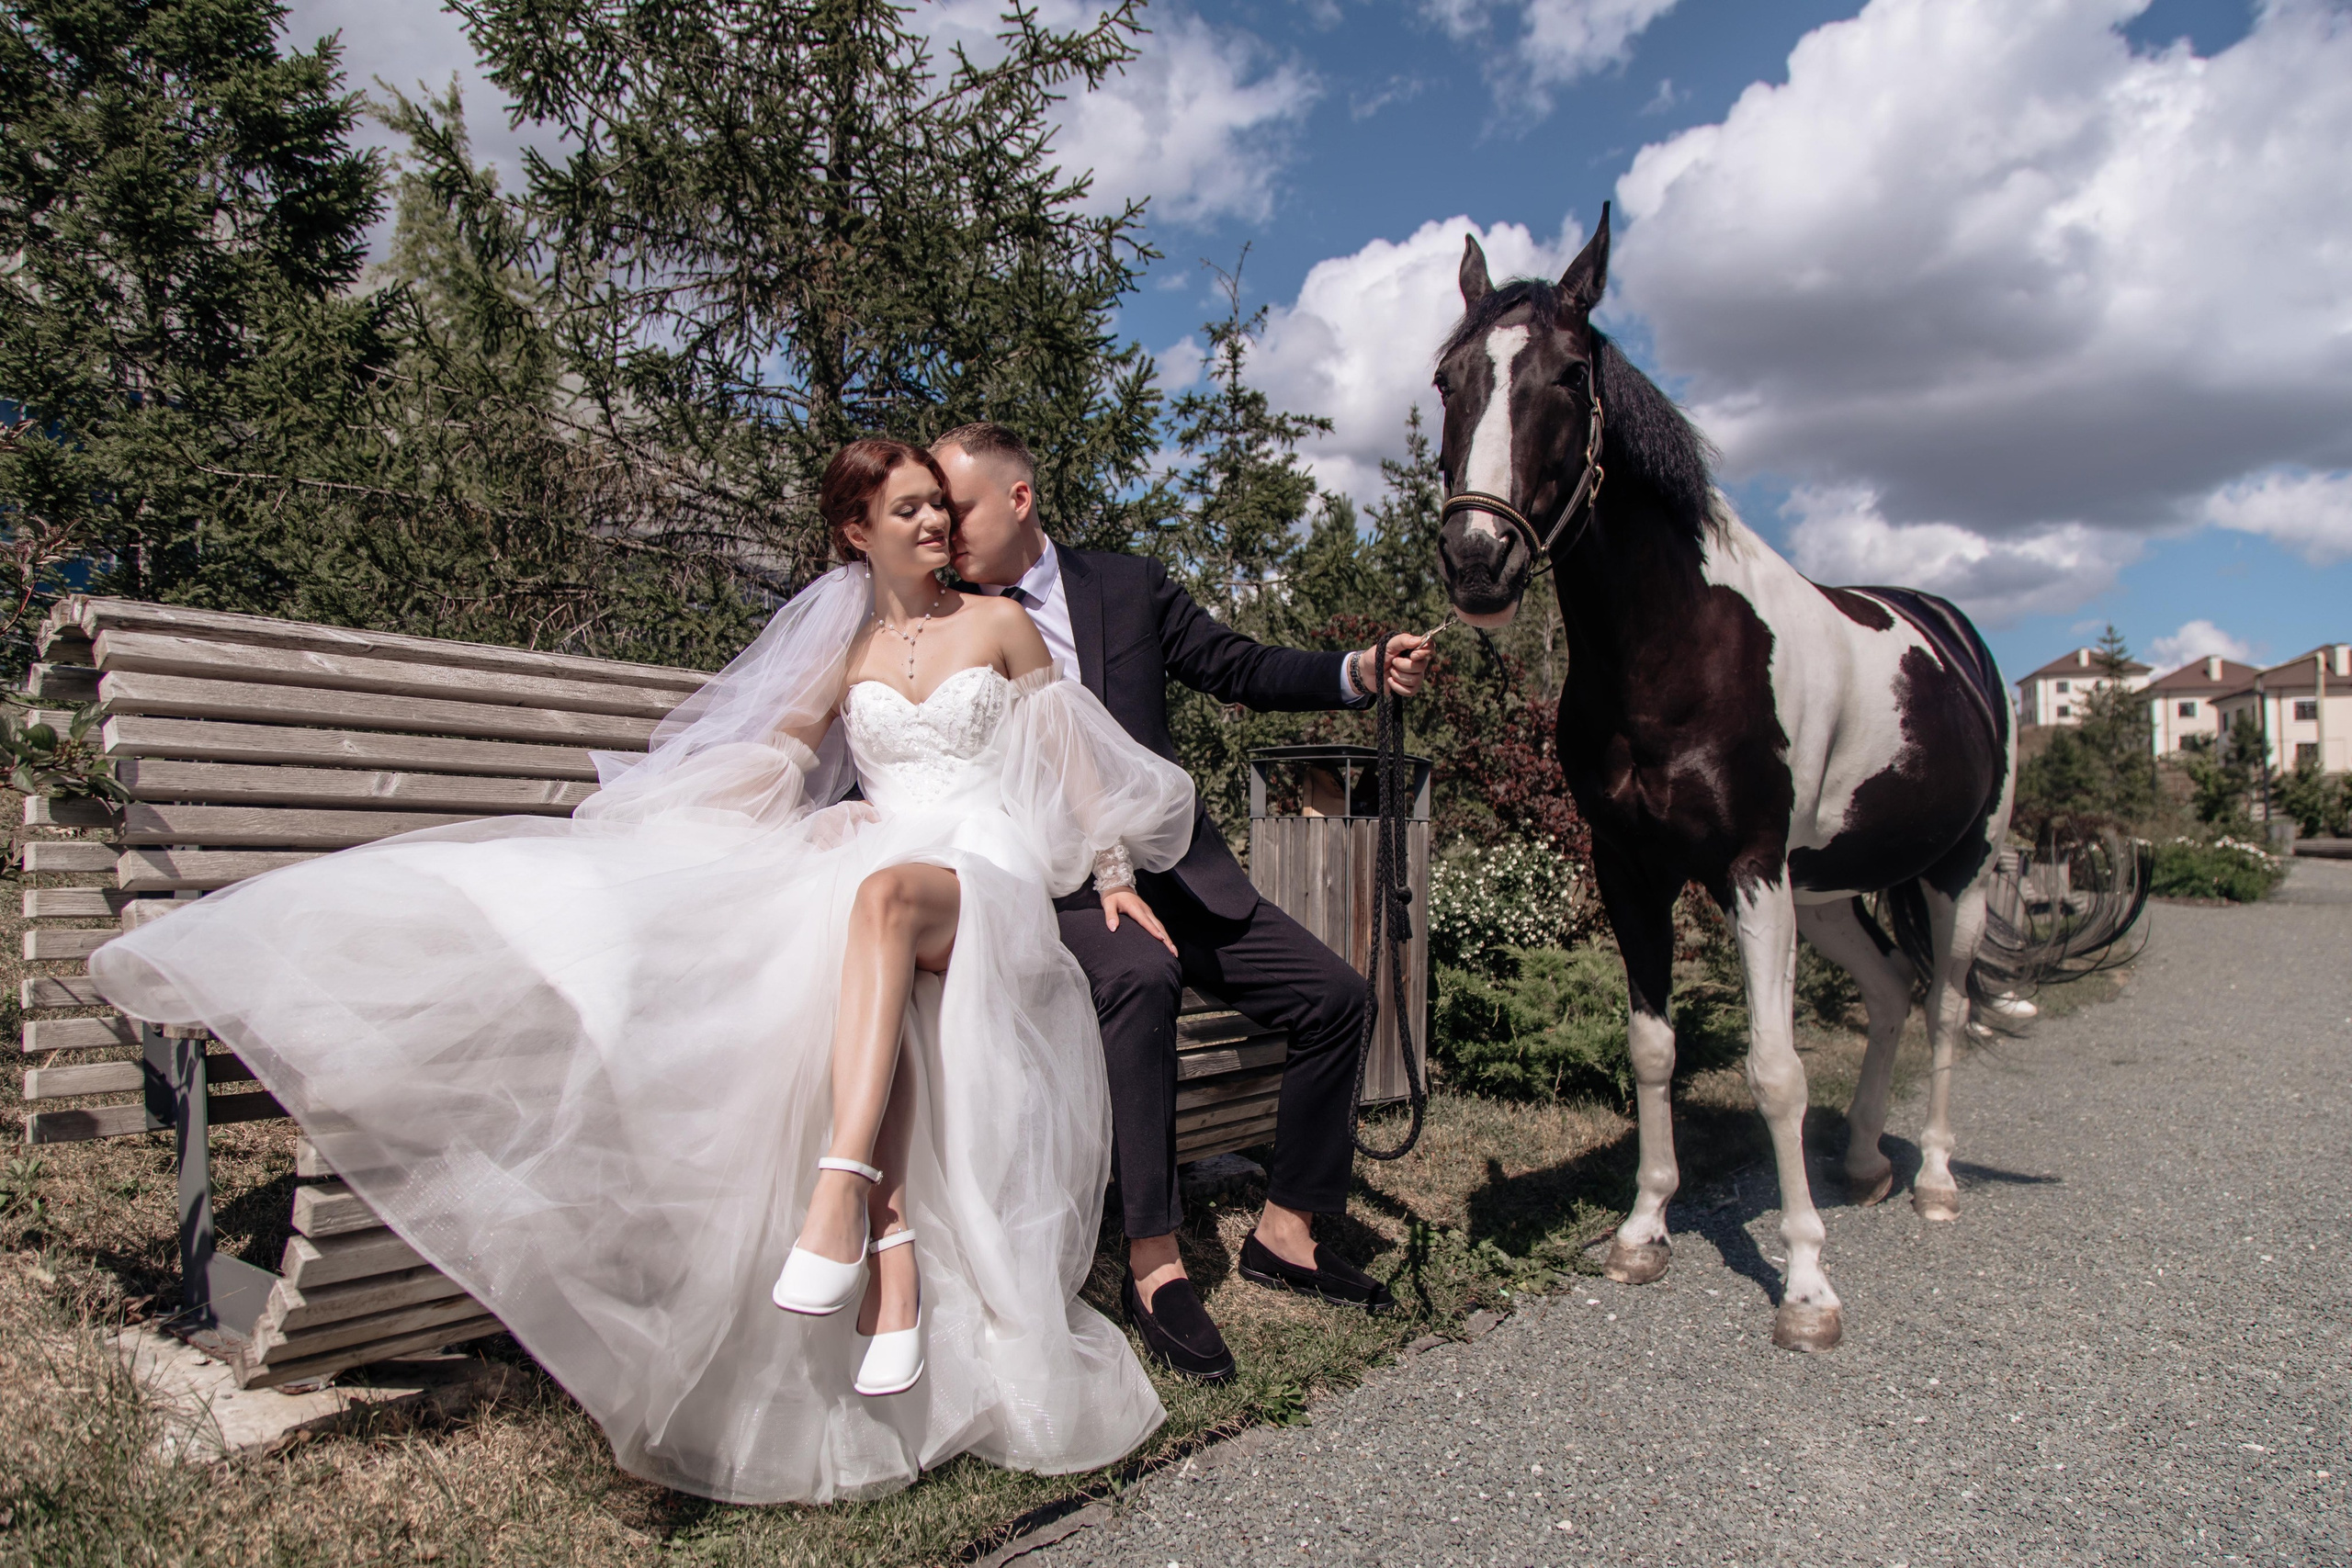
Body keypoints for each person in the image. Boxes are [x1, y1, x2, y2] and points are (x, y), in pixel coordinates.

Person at [90, 439, 1196, 1506]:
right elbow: (778, 756)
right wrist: (688, 824)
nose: (932, 523)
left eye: (936, 506)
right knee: (834, 932)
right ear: (856, 532)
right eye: (906, 509)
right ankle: (890, 1256)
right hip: (882, 861)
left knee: (876, 901)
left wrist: (1107, 871)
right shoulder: (848, 649)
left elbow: (1069, 762)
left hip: (981, 872)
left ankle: (840, 1187)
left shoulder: (1000, 625)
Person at [933, 423, 1432, 1382]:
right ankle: (1153, 1263)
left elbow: (1235, 667)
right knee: (1143, 977)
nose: (945, 530)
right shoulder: (942, 610)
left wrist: (1357, 670)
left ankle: (1286, 1231)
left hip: (1170, 871)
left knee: (1334, 997)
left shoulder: (1125, 586)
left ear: (1018, 498)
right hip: (1046, 884)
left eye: (958, 509)